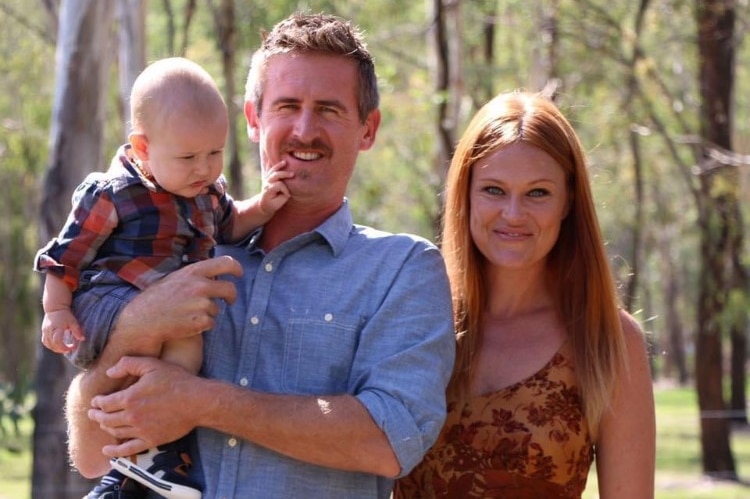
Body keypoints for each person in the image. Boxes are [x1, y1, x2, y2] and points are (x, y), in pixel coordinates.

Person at [63, 12, 456, 499]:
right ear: (253, 119)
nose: (305, 130)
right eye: (288, 106)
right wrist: (138, 323)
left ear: (368, 129)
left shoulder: (402, 270)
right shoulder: (174, 251)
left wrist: (203, 402)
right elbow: (89, 451)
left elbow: (392, 438)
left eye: (330, 110)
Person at [35, 57, 292, 498]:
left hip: (174, 306)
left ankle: (158, 449)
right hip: (108, 301)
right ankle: (140, 455)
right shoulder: (112, 193)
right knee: (159, 330)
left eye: (214, 153)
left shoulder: (206, 193)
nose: (205, 168)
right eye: (189, 157)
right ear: (143, 147)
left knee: (188, 340)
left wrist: (264, 207)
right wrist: (56, 310)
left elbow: (231, 225)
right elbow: (66, 255)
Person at [394, 91, 656, 498]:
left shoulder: (609, 340)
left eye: (538, 193)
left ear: (568, 202)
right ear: (465, 193)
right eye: (494, 190)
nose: (514, 214)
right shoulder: (413, 321)